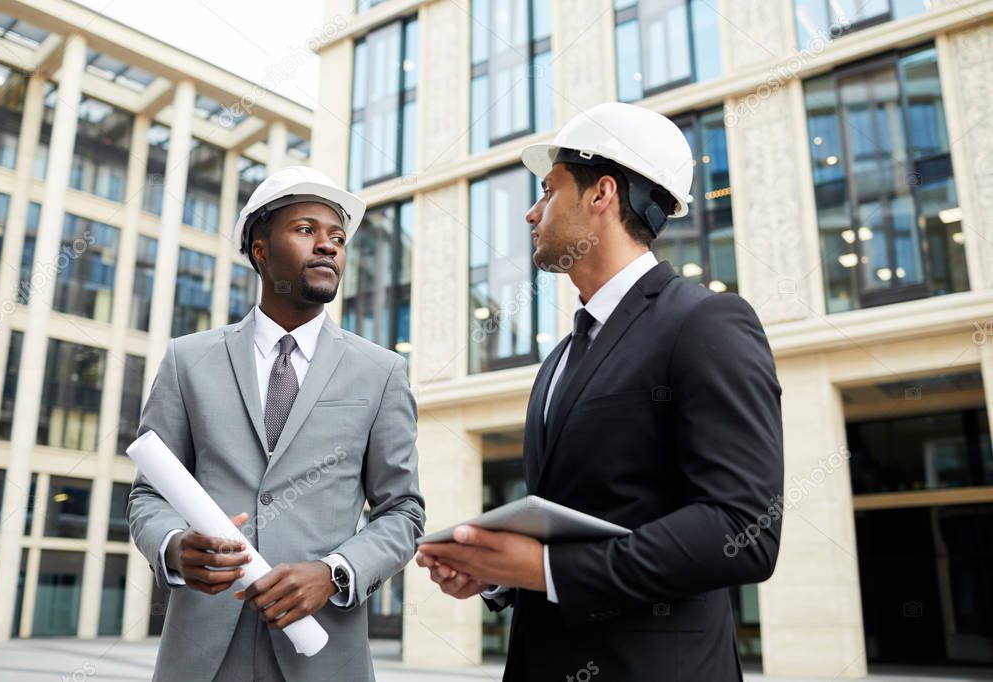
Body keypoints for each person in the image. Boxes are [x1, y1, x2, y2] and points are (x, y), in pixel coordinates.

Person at [416, 102, 783, 681]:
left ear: (601, 193)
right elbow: (579, 518)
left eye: (548, 190)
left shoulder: (707, 323)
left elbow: (742, 530)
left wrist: (546, 568)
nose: (532, 214)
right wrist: (498, 573)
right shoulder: (559, 359)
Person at [129, 165, 424, 681]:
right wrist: (175, 547)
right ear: (260, 250)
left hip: (324, 651)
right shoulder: (186, 360)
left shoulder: (381, 372)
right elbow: (147, 496)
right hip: (201, 656)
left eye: (337, 237)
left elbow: (402, 511)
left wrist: (335, 573)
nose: (329, 246)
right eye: (307, 230)